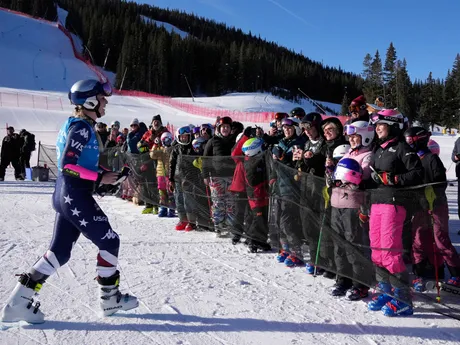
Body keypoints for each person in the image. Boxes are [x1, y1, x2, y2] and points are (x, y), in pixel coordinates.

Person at [0, 80, 138, 324]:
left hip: (67, 194)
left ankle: (18, 303)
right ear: (90, 102)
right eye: (102, 99)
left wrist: (107, 173)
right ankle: (110, 299)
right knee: (110, 241)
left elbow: (81, 163)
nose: (106, 103)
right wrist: (98, 176)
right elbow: (68, 165)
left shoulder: (79, 125)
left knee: (59, 252)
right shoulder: (83, 128)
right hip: (74, 195)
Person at [367, 109, 423, 317]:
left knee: (390, 251)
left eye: (381, 124)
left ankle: (403, 298)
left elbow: (417, 173)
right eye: (376, 125)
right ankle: (386, 290)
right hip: (376, 202)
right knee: (377, 251)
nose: (377, 128)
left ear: (392, 125)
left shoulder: (401, 148)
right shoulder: (378, 149)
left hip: (394, 203)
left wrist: (395, 179)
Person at [404, 127, 460, 290]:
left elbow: (440, 183)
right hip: (419, 206)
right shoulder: (411, 159)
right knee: (419, 238)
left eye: (410, 140)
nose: (409, 144)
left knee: (440, 239)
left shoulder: (431, 159)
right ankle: (421, 271)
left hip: (436, 205)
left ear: (419, 140)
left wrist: (431, 194)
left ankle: (456, 273)